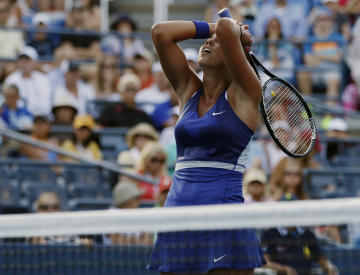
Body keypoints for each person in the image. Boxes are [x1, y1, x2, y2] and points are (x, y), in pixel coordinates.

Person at [148, 14, 265, 274]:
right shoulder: (189, 91)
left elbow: (225, 26)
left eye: (217, 42)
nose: (207, 42)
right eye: (207, 40)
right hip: (176, 218)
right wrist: (223, 32)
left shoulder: (246, 93)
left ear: (236, 55)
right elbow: (160, 33)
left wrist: (230, 32)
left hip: (222, 219)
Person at [260, 193, 339, 275]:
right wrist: (284, 269)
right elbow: (264, 263)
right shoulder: (268, 235)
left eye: (292, 209)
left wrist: (329, 267)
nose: (289, 212)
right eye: (285, 209)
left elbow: (321, 259)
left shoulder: (308, 235)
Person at [5, 46, 52, 115]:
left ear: (35, 62)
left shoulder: (43, 79)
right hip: (18, 119)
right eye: (21, 60)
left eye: (27, 61)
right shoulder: (11, 79)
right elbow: (9, 104)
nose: (24, 64)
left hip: (40, 119)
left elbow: (46, 104)